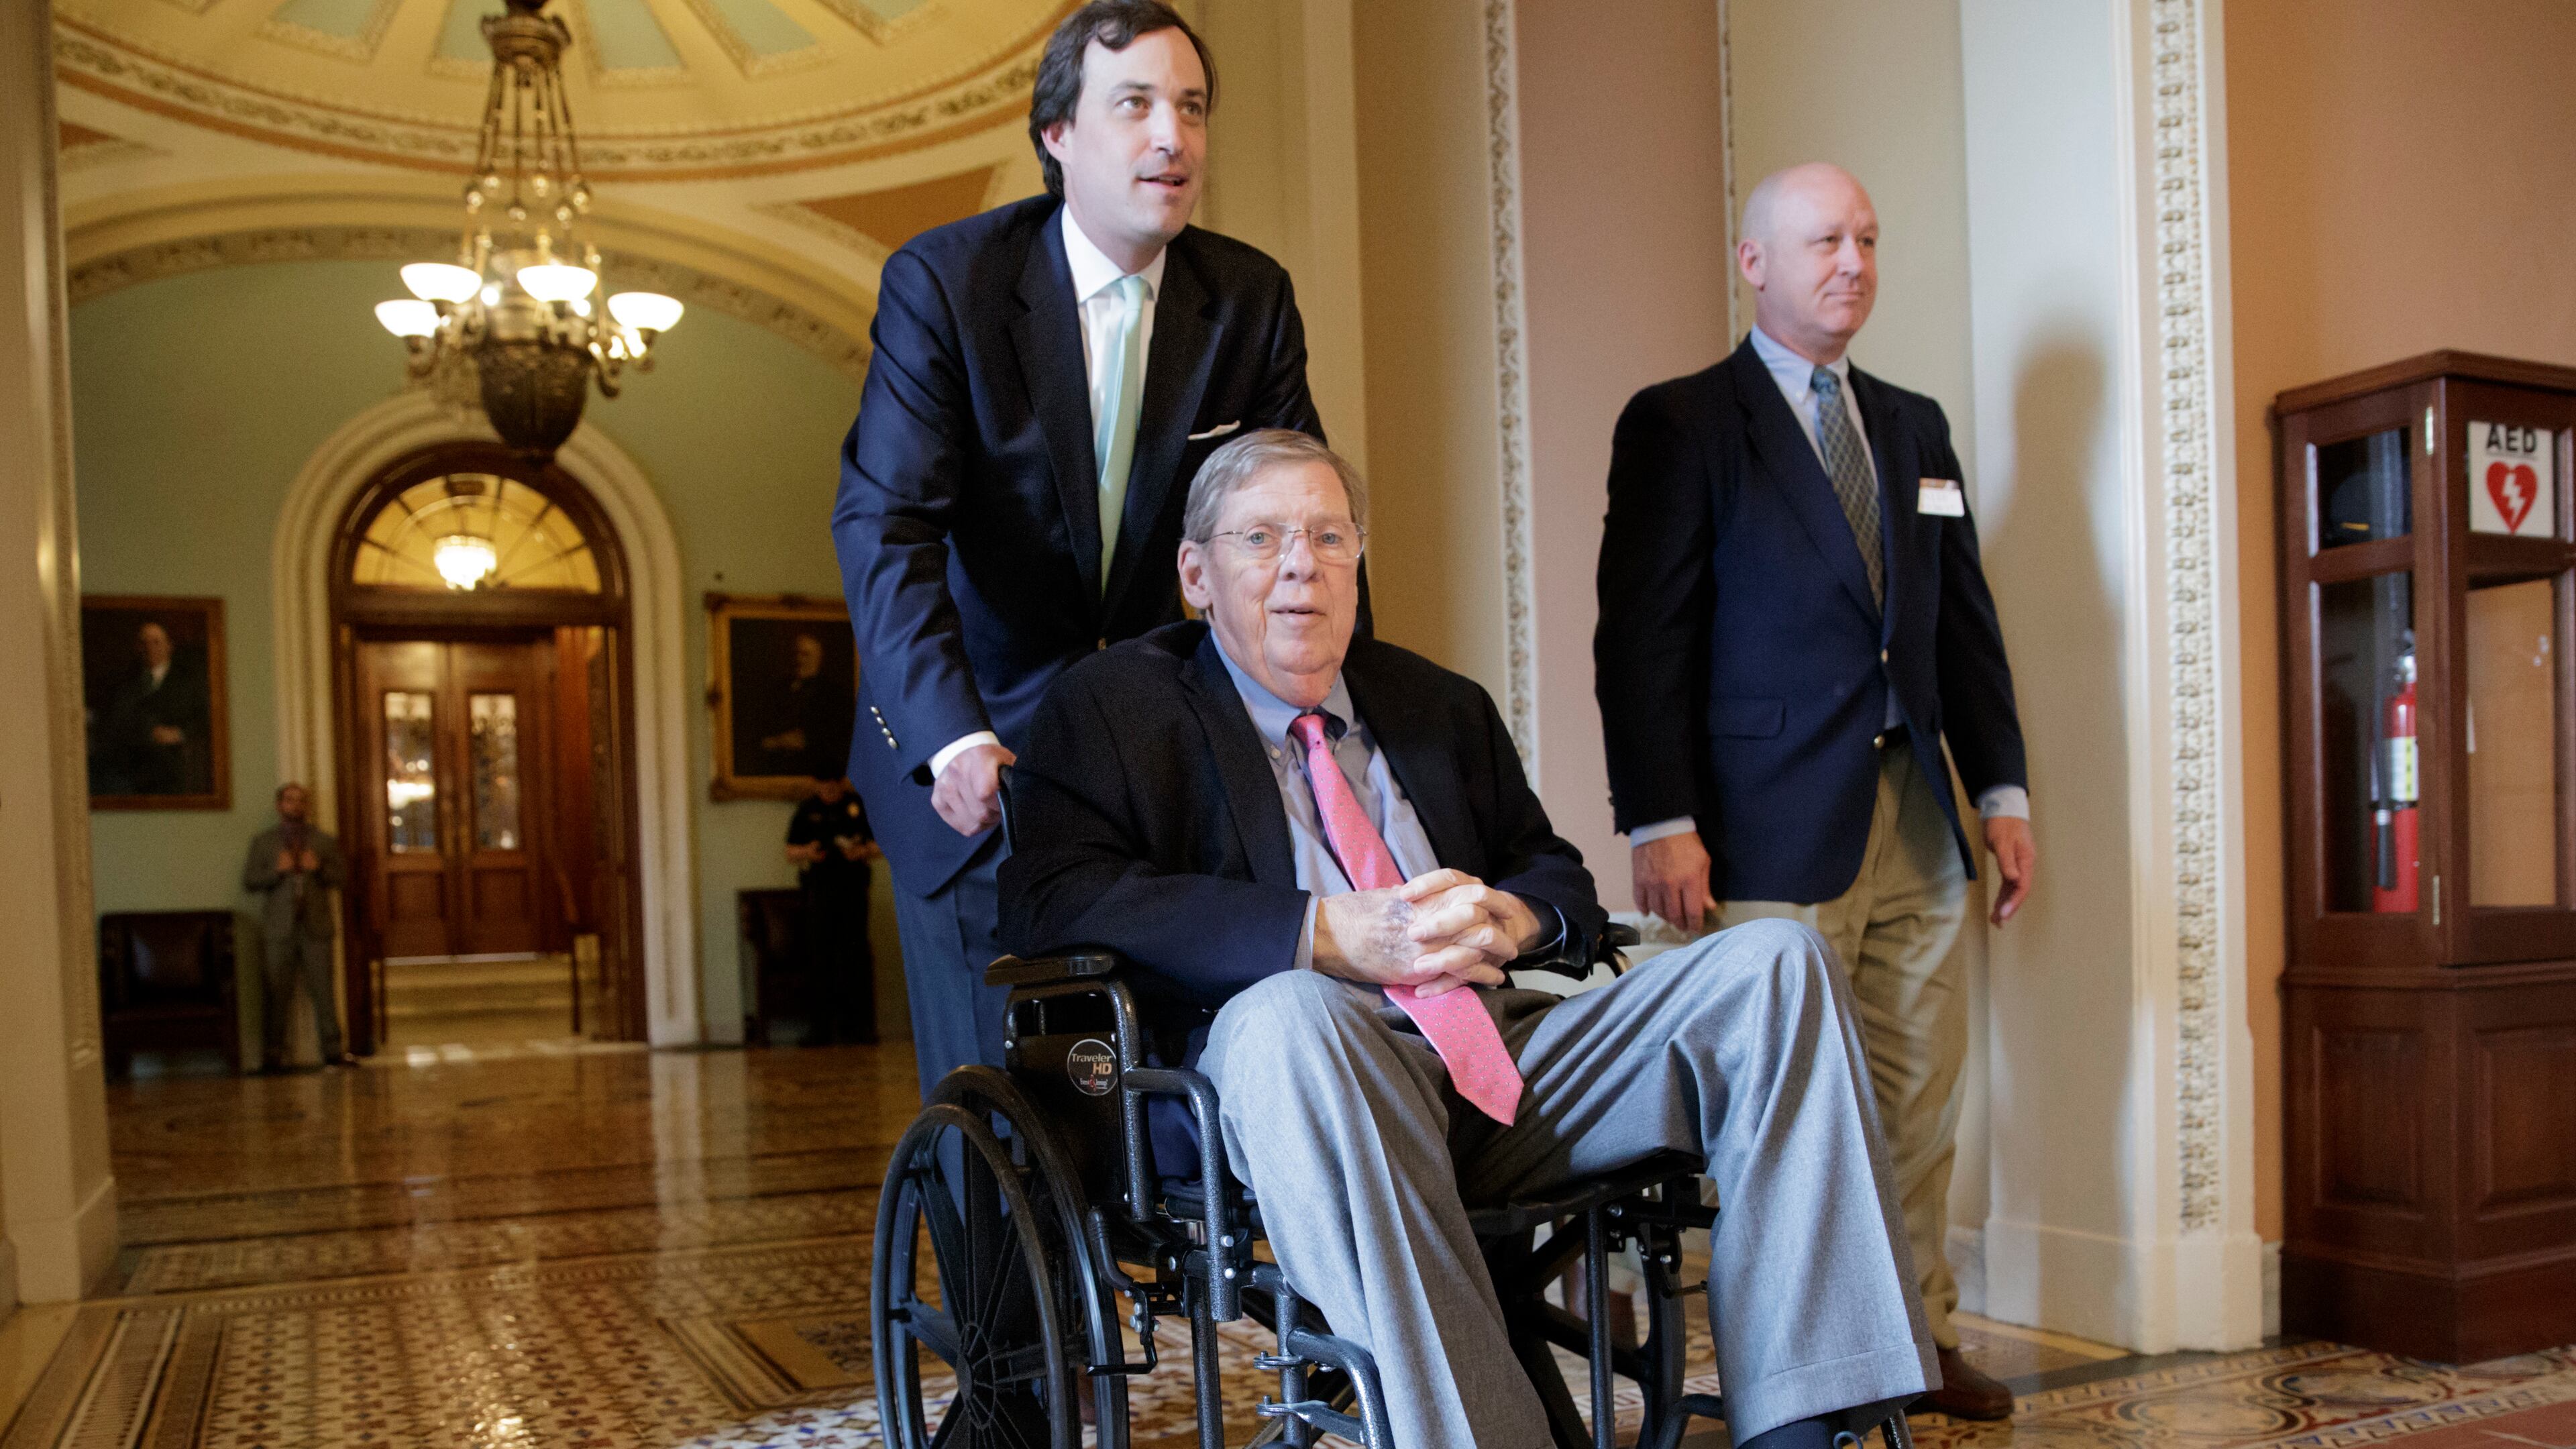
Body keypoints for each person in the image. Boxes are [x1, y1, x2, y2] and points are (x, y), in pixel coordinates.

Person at [1003, 431, 1933, 1449]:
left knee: (1779, 964)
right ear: (1196, 574)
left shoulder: (1437, 703)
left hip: (1495, 1056)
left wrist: (1512, 916)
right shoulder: (1114, 709)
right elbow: (1058, 898)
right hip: (1292, 1077)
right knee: (1292, 1012)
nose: (1302, 565)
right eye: (1261, 538)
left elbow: (1554, 873)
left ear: (1358, 561)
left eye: (1329, 537)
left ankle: (1803, 1422)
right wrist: (1323, 933)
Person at [1593, 162, 2035, 1420]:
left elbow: (1961, 625)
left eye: (1868, 240)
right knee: (1785, 1120)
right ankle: (1791, 1375)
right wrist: (1662, 819)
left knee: (1917, 1101)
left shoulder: (1915, 427)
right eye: (1824, 240)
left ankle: (1917, 1343)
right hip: (1758, 828)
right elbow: (1641, 638)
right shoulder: (1682, 422)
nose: (1853, 262)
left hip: (1918, 817)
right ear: (1755, 264)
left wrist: (2002, 791)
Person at [833, 0, 1325, 1100]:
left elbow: (1298, 528)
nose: (1173, 137)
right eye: (1135, 104)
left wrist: (1327, 730)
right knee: (1002, 1119)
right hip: (975, 756)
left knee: (1168, 1108)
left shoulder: (1248, 299)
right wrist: (951, 737)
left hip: (1155, 758)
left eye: (1192, 107)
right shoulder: (947, 284)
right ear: (1057, 134)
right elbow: (887, 524)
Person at [242, 783, 350, 1071]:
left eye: (301, 800)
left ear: (307, 806)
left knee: (324, 992)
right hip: (279, 930)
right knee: (276, 994)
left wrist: (320, 869)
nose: (296, 805)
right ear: (279, 805)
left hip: (316, 928)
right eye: (290, 800)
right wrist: (275, 872)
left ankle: (333, 1053)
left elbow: (342, 878)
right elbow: (250, 881)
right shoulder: (263, 842)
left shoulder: (324, 841)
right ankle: (273, 1056)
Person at [784, 773, 879, 1044]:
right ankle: (820, 1029)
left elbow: (880, 845)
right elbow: (790, 851)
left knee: (855, 957)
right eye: (825, 786)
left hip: (853, 891)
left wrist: (861, 852)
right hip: (819, 892)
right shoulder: (807, 810)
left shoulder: (857, 806)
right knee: (819, 957)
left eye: (834, 785)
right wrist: (809, 852)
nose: (829, 790)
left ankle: (858, 1028)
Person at [94, 620, 210, 796]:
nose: (150, 648)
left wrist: (179, 734)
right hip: (131, 764)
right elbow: (114, 721)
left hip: (173, 763)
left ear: (169, 646)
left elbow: (204, 720)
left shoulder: (188, 682)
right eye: (144, 643)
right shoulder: (125, 682)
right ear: (138, 648)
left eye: (156, 642)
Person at [752, 633, 856, 781]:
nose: (799, 659)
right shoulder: (777, 690)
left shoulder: (835, 694)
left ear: (819, 658)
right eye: (797, 654)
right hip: (776, 772)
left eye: (805, 654)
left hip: (817, 773)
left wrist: (807, 742)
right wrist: (778, 741)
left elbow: (842, 740)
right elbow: (758, 733)